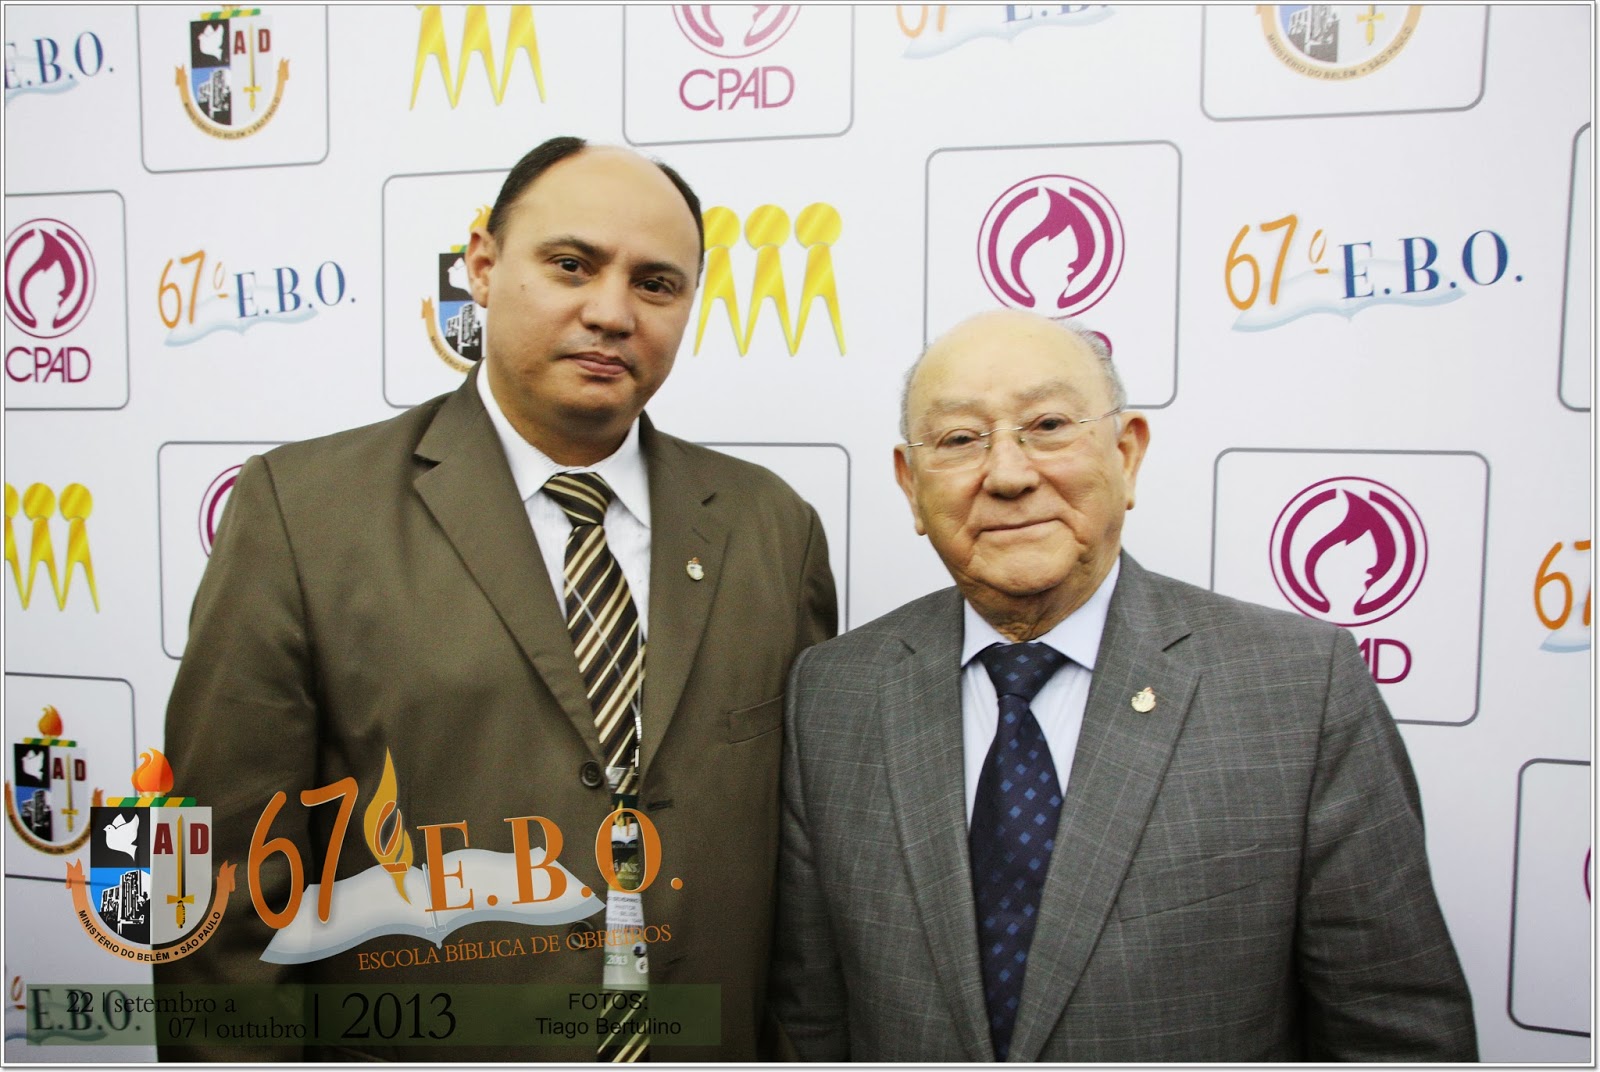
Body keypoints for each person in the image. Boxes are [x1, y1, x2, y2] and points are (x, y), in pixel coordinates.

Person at [157, 136, 836, 1062]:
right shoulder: (302, 513)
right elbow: (221, 884)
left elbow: (805, 890)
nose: (611, 312)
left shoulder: (773, 529)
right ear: (481, 266)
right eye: (571, 265)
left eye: (656, 284)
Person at [769, 309, 1476, 1062]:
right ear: (912, 486)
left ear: (1127, 453)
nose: (1007, 475)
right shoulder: (834, 694)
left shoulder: (1299, 687)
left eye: (1048, 426)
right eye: (959, 439)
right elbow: (811, 1021)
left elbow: (1394, 1029)